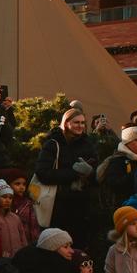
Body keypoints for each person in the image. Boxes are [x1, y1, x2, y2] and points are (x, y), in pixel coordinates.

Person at [35, 108, 99, 254]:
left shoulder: (88, 144)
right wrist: (73, 173)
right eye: (76, 122)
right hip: (58, 206)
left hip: (82, 206)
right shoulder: (52, 144)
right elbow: (42, 173)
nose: (80, 126)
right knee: (58, 248)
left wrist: (90, 172)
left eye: (83, 123)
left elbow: (96, 176)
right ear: (66, 123)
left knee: (79, 247)